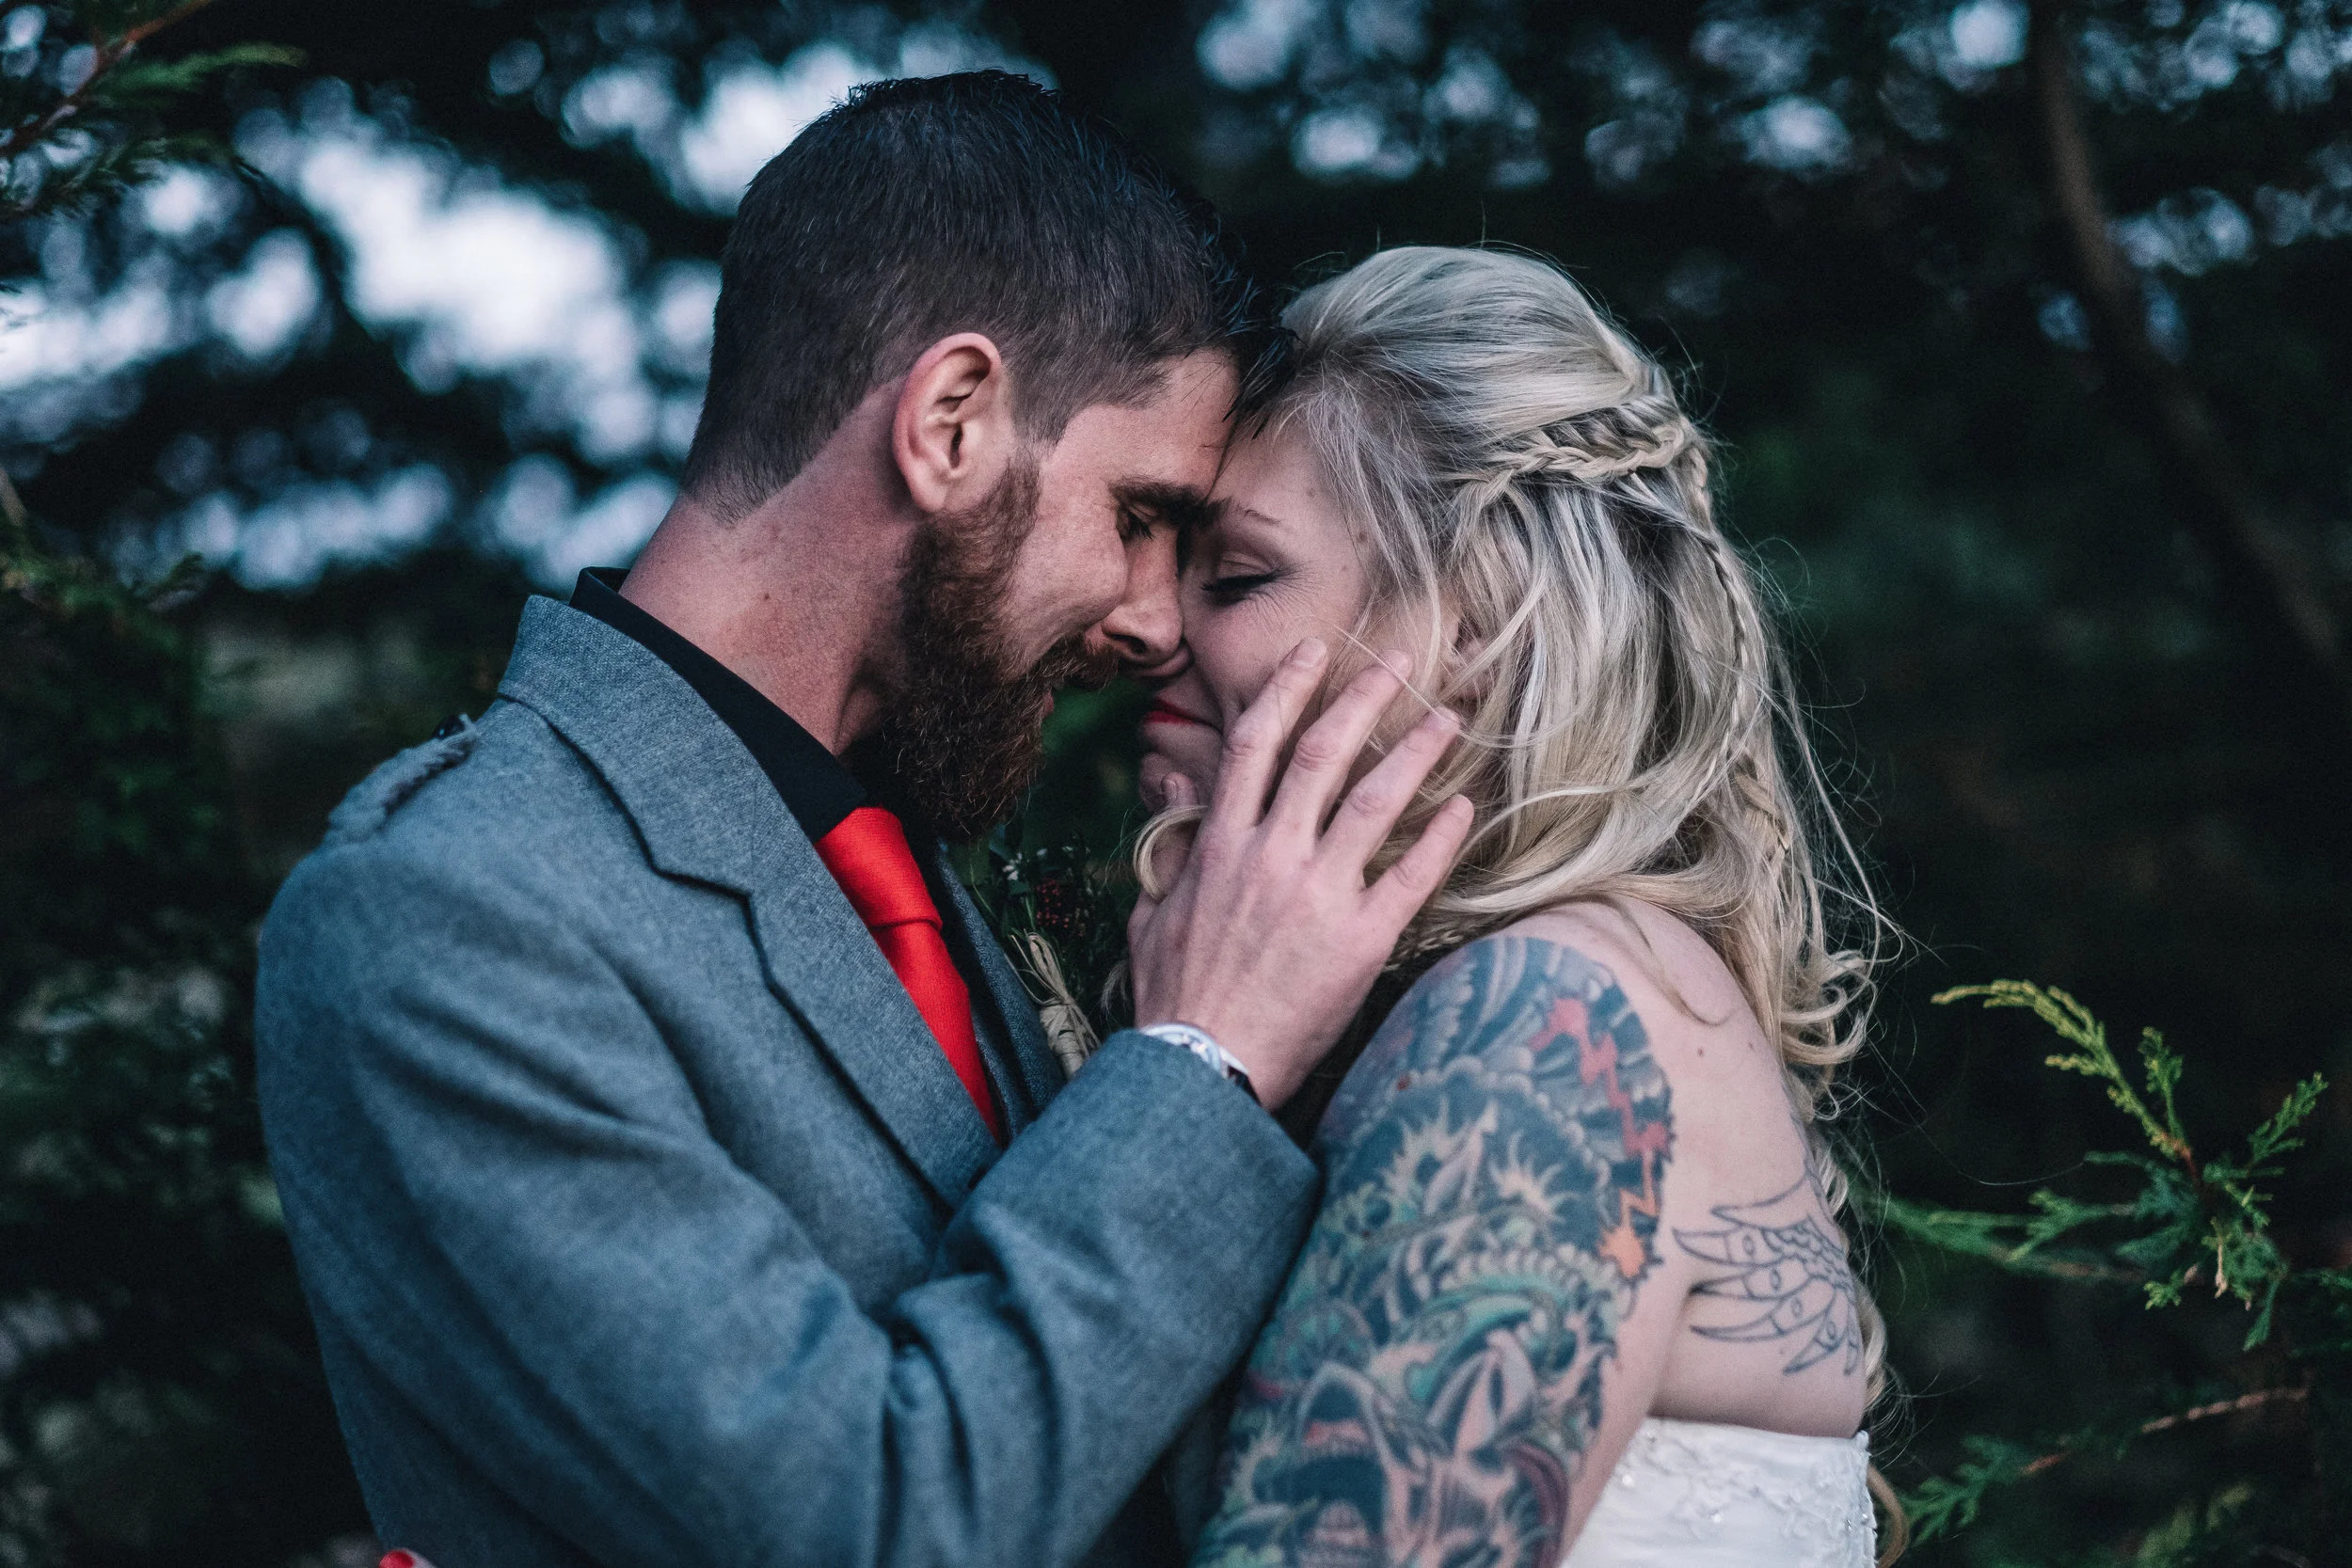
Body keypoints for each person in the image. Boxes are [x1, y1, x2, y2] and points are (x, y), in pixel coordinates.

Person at [254, 75, 1471, 1568]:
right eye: (1138, 517)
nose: (1158, 622)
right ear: (951, 422)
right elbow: (862, 1522)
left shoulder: (921, 867)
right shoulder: (446, 912)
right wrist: (1202, 1059)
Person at [1131, 246, 1897, 1567]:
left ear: (1486, 614)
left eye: (1237, 575)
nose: (1149, 625)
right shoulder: (1567, 986)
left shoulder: (1546, 1020)